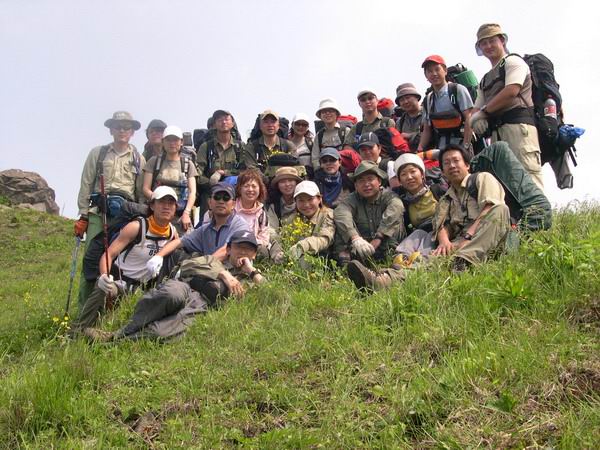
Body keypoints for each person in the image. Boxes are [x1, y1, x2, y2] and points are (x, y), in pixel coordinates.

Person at [81, 230, 266, 342]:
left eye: (248, 249)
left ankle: (113, 339)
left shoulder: (250, 278)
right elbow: (187, 266)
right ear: (229, 249)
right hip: (185, 286)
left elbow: (267, 292)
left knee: (161, 332)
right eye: (238, 247)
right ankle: (125, 329)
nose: (242, 252)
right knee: (170, 294)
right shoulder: (213, 259)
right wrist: (223, 273)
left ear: (254, 254)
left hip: (201, 305)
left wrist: (251, 270)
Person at [72, 186, 179, 331]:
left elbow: (178, 243)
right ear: (152, 206)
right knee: (103, 289)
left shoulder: (172, 233)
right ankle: (78, 330)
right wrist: (104, 276)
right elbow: (108, 254)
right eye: (161, 202)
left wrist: (160, 257)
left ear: (175, 208)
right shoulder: (136, 227)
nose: (166, 206)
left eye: (171, 203)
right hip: (118, 282)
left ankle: (112, 332)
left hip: (141, 289)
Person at [74, 111, 145, 309]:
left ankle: (108, 309)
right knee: (91, 260)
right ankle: (84, 309)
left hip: (125, 215)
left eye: (126, 127)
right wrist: (83, 214)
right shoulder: (98, 153)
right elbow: (86, 182)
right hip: (99, 212)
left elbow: (140, 193)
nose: (122, 130)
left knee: (118, 260)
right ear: (111, 130)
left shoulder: (139, 158)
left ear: (132, 132)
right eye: (118, 127)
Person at [470, 23, 544, 190]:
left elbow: (511, 91)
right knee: (506, 183)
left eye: (492, 41)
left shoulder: (513, 62)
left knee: (528, 178)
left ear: (502, 41)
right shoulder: (485, 79)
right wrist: (476, 120)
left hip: (519, 129)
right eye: (484, 43)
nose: (488, 46)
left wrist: (483, 113)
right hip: (497, 134)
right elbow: (476, 108)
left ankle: (538, 209)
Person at [145, 182, 249, 278]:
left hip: (232, 275)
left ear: (233, 204)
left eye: (226, 198)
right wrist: (158, 256)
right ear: (210, 203)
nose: (221, 201)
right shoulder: (205, 229)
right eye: (217, 197)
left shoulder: (240, 225)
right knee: (173, 254)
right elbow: (180, 241)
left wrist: (193, 267)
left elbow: (226, 251)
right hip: (207, 273)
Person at [333, 161, 405, 264]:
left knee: (396, 218)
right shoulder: (352, 199)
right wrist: (355, 238)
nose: (366, 184)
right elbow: (341, 212)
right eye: (361, 181)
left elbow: (396, 207)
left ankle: (393, 257)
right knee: (341, 222)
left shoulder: (389, 196)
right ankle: (346, 263)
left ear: (379, 181)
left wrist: (379, 237)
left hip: (386, 245)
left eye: (370, 179)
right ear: (356, 185)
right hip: (362, 247)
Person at [142, 125, 197, 234]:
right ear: (163, 142)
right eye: (168, 140)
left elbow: (192, 192)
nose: (172, 143)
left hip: (181, 214)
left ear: (181, 142)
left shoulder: (188, 164)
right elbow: (145, 188)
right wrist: (159, 203)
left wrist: (186, 213)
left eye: (175, 140)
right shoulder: (154, 162)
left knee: (187, 241)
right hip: (157, 213)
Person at [418, 55, 474, 154]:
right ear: (426, 76)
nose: (434, 74)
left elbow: (469, 118)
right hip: (441, 149)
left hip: (461, 145)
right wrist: (419, 149)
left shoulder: (458, 90)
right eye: (429, 71)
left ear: (445, 71)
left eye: (437, 69)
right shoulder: (428, 100)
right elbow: (427, 129)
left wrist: (465, 146)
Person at [195, 110, 245, 217]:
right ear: (214, 124)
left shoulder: (240, 147)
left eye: (226, 119)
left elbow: (245, 171)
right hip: (210, 193)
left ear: (232, 123)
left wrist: (224, 173)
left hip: (234, 194)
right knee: (206, 224)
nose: (223, 122)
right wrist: (212, 183)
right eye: (220, 120)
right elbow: (198, 174)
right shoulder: (206, 147)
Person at [279, 180, 335, 261]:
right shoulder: (293, 218)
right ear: (295, 202)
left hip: (323, 259)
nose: (306, 205)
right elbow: (283, 240)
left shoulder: (327, 215)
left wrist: (304, 245)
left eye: (310, 199)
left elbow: (325, 239)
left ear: (319, 199)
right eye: (301, 200)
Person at [242, 110, 298, 177]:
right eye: (266, 122)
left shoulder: (289, 145)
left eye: (273, 122)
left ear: (278, 125)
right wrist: (266, 180)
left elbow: (294, 167)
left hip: (284, 180)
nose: (270, 125)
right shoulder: (252, 146)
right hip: (260, 181)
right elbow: (252, 168)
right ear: (260, 126)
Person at [232, 169, 270, 256]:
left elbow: (264, 239)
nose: (250, 189)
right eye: (246, 186)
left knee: (263, 251)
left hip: (253, 247)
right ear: (239, 189)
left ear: (260, 189)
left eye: (254, 186)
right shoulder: (231, 208)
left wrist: (249, 242)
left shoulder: (262, 213)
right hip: (232, 247)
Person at [311, 98, 350, 169]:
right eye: (324, 112)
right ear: (320, 116)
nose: (327, 113)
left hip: (344, 172)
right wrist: (320, 170)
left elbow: (350, 154)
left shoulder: (345, 131)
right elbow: (315, 158)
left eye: (331, 111)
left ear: (336, 114)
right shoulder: (319, 135)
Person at [394, 83, 423, 151]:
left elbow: (434, 134)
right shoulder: (400, 122)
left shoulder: (427, 114)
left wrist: (410, 135)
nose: (405, 102)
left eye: (408, 97)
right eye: (401, 100)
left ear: (417, 97)